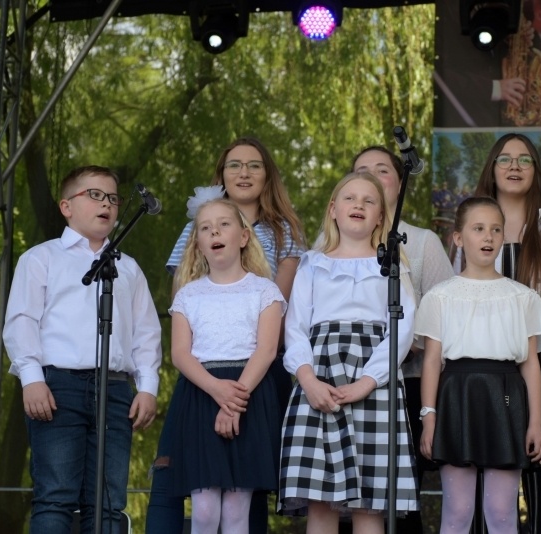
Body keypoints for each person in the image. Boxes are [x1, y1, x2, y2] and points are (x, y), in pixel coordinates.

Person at [147, 137, 305, 534]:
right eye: (235, 164)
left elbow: (271, 334)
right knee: (191, 494)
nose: (244, 172)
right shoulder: (191, 282)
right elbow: (182, 337)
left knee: (240, 505)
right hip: (203, 381)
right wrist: (217, 389)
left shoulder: (281, 238)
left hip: (254, 374)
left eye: (254, 165)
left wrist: (235, 396)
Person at [3, 166, 162, 533]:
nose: (106, 204)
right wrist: (31, 378)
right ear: (66, 206)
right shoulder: (41, 258)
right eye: (94, 195)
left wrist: (148, 387)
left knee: (108, 502)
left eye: (113, 198)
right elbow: (22, 321)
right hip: (58, 386)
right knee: (55, 497)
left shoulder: (129, 268)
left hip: (116, 390)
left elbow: (146, 333)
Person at [279, 172, 418, 532]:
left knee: (369, 505)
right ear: (333, 209)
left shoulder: (392, 268)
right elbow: (294, 328)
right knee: (321, 500)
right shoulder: (312, 264)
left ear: (380, 217)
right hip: (319, 378)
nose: (359, 205)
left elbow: (402, 330)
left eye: (369, 201)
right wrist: (308, 381)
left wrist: (368, 381)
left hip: (374, 382)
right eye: (350, 198)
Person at [456, 133, 541, 533]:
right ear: (491, 169)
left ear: (536, 171)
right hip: (482, 371)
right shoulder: (469, 231)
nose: (514, 166)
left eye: (524, 160)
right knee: (481, 490)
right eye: (505, 159)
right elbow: (456, 304)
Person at [416, 196, 541, 534]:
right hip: (456, 398)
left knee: (502, 512)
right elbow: (431, 361)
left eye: (496, 229)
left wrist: (536, 423)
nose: (488, 237)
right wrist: (429, 417)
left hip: (506, 399)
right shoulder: (439, 296)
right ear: (458, 238)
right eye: (478, 229)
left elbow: (530, 365)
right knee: (457, 512)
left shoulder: (523, 297)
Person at [351, 146, 454, 533]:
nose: (372, 176)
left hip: (409, 381)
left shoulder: (423, 241)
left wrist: (412, 341)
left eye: (382, 170)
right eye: (362, 170)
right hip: (349, 379)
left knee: (401, 499)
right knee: (349, 494)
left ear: (400, 182)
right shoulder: (330, 244)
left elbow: (447, 311)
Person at [169, 193, 286, 533]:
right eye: (205, 228)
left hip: (248, 393)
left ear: (244, 236)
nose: (215, 232)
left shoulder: (265, 291)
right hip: (201, 393)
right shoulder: (188, 295)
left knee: (236, 511)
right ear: (198, 244)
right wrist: (216, 389)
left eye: (223, 224)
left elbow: (266, 350)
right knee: (204, 510)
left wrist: (233, 402)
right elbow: (180, 354)